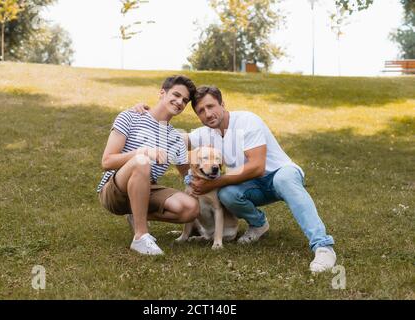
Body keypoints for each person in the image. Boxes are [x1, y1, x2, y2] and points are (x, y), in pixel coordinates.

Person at [187, 86, 336, 272]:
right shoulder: (205, 133)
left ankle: (323, 246)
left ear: (222, 104)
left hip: (280, 173)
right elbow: (179, 140)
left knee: (283, 179)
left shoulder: (247, 120)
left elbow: (257, 167)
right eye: (201, 110)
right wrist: (148, 115)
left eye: (211, 106)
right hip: (252, 186)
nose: (208, 113)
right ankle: (258, 225)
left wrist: (214, 182)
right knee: (227, 194)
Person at [97, 75, 199, 256]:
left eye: (184, 100)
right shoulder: (131, 116)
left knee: (191, 207)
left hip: (146, 189)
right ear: (162, 93)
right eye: (175, 95)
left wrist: (216, 184)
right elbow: (107, 161)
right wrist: (142, 152)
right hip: (114, 190)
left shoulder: (175, 138)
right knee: (142, 161)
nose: (179, 102)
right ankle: (141, 236)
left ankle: (136, 215)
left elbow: (188, 176)